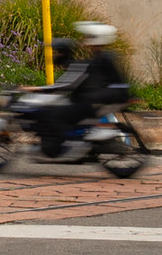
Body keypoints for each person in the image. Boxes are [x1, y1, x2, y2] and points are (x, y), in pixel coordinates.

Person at [32, 24, 129, 159]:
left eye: (59, 52)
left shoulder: (98, 60)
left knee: (55, 114)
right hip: (99, 99)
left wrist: (34, 89)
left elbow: (66, 85)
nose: (85, 40)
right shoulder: (101, 58)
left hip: (94, 101)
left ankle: (60, 148)